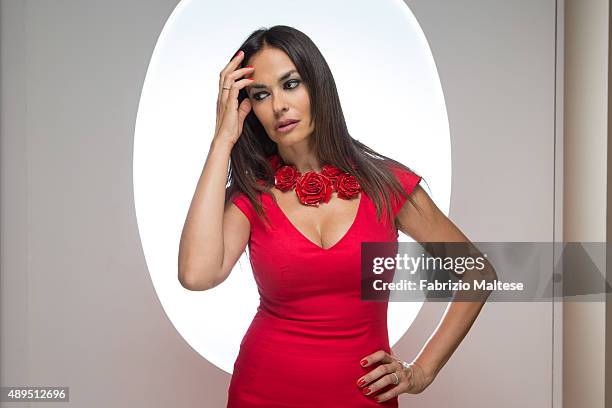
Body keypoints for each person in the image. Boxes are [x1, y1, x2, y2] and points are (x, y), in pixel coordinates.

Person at [178, 25, 492, 407]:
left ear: (318, 86)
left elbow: (477, 271)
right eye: (261, 94)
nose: (278, 105)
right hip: (263, 392)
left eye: (290, 84)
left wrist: (421, 372)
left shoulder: (386, 184)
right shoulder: (254, 195)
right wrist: (222, 140)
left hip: (363, 397)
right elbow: (196, 275)